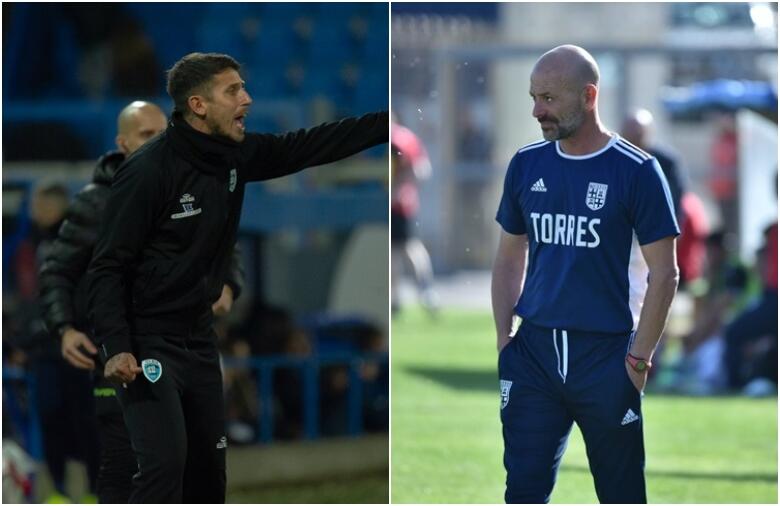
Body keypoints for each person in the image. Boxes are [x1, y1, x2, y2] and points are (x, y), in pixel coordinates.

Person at [87, 52, 388, 503]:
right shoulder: (148, 171)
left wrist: (387, 123)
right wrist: (117, 345)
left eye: (243, 87)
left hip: (200, 340)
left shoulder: (235, 157)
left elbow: (309, 145)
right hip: (147, 340)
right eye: (233, 91)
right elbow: (106, 265)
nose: (246, 98)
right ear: (199, 105)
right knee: (164, 469)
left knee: (209, 480)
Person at [492, 45, 679, 504]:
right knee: (522, 494)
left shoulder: (638, 171)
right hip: (532, 356)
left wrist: (638, 361)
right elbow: (509, 257)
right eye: (534, 97)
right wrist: (504, 342)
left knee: (622, 495)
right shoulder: (526, 164)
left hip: (605, 358)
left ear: (589, 96)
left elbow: (666, 274)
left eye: (549, 99)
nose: (537, 110)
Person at [38, 101, 244, 502]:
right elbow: (56, 271)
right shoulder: (98, 202)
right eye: (146, 135)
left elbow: (223, 246)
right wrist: (64, 329)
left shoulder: (187, 184)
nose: (157, 142)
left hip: (180, 349)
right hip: (117, 353)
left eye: (161, 132)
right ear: (123, 142)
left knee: (191, 462)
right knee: (123, 462)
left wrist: (229, 286)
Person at [12, 182, 100, 503]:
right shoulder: (29, 245)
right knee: (51, 418)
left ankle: (93, 488)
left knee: (86, 419)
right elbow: (25, 296)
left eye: (41, 203)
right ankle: (58, 490)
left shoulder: (78, 241)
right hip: (43, 350)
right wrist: (22, 340)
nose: (37, 210)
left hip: (78, 344)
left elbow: (83, 291)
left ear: (57, 206)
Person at [390, 117, 438, 314]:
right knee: (394, 252)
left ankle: (426, 292)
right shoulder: (400, 137)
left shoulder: (400, 138)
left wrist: (400, 189)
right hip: (396, 204)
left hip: (400, 205)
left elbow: (419, 169)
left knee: (408, 247)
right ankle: (395, 298)